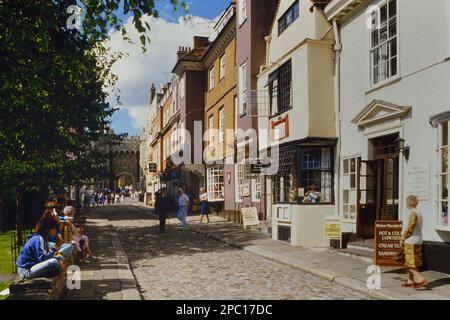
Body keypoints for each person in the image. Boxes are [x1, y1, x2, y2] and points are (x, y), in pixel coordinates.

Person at [400, 195, 428, 288]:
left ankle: (420, 279)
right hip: (417, 240)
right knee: (412, 262)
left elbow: (410, 227)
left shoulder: (412, 213)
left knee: (409, 263)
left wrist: (403, 238)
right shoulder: (418, 212)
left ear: (409, 202)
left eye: (407, 201)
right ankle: (410, 281)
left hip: (411, 241)